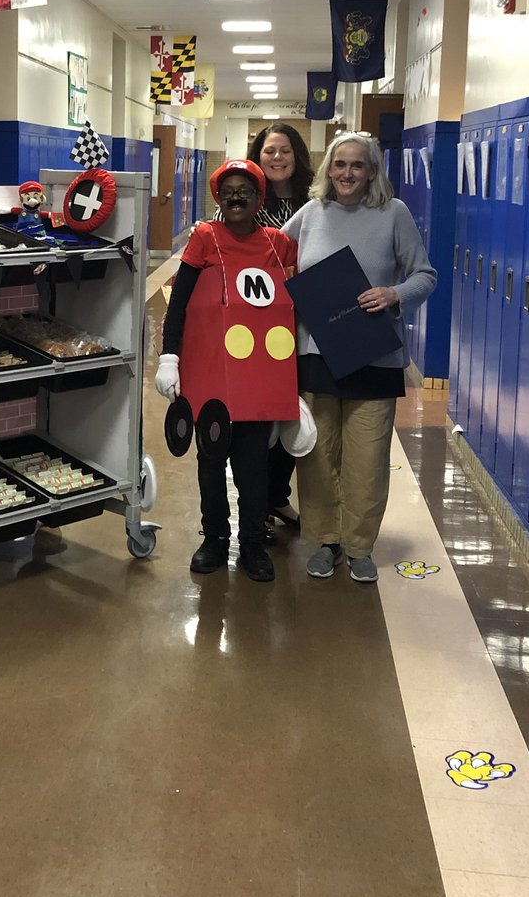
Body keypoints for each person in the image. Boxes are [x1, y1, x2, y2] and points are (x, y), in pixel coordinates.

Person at [281, 132, 437, 583]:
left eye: (357, 165)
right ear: (328, 170)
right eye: (339, 165)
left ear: (372, 171)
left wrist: (394, 293)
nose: (347, 173)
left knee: (367, 458)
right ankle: (326, 541)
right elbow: (272, 255)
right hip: (316, 354)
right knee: (317, 455)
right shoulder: (311, 214)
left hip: (372, 356)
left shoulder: (394, 214)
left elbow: (425, 275)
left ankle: (359, 545)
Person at [155, 159, 298, 582]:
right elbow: (178, 301)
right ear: (218, 197)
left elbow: (297, 300)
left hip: (259, 380)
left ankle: (252, 542)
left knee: (254, 465)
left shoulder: (276, 243)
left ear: (259, 198)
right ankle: (214, 537)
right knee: (211, 460)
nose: (237, 198)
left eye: (246, 191)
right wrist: (169, 356)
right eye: (228, 191)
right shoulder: (205, 237)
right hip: (211, 377)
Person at [248, 122, 315, 532]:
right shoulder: (244, 198)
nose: (277, 158)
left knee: (292, 411)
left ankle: (278, 497)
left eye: (284, 151)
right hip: (256, 323)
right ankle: (256, 506)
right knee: (258, 415)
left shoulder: (317, 200)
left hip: (304, 319)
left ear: (297, 156)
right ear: (258, 156)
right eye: (269, 151)